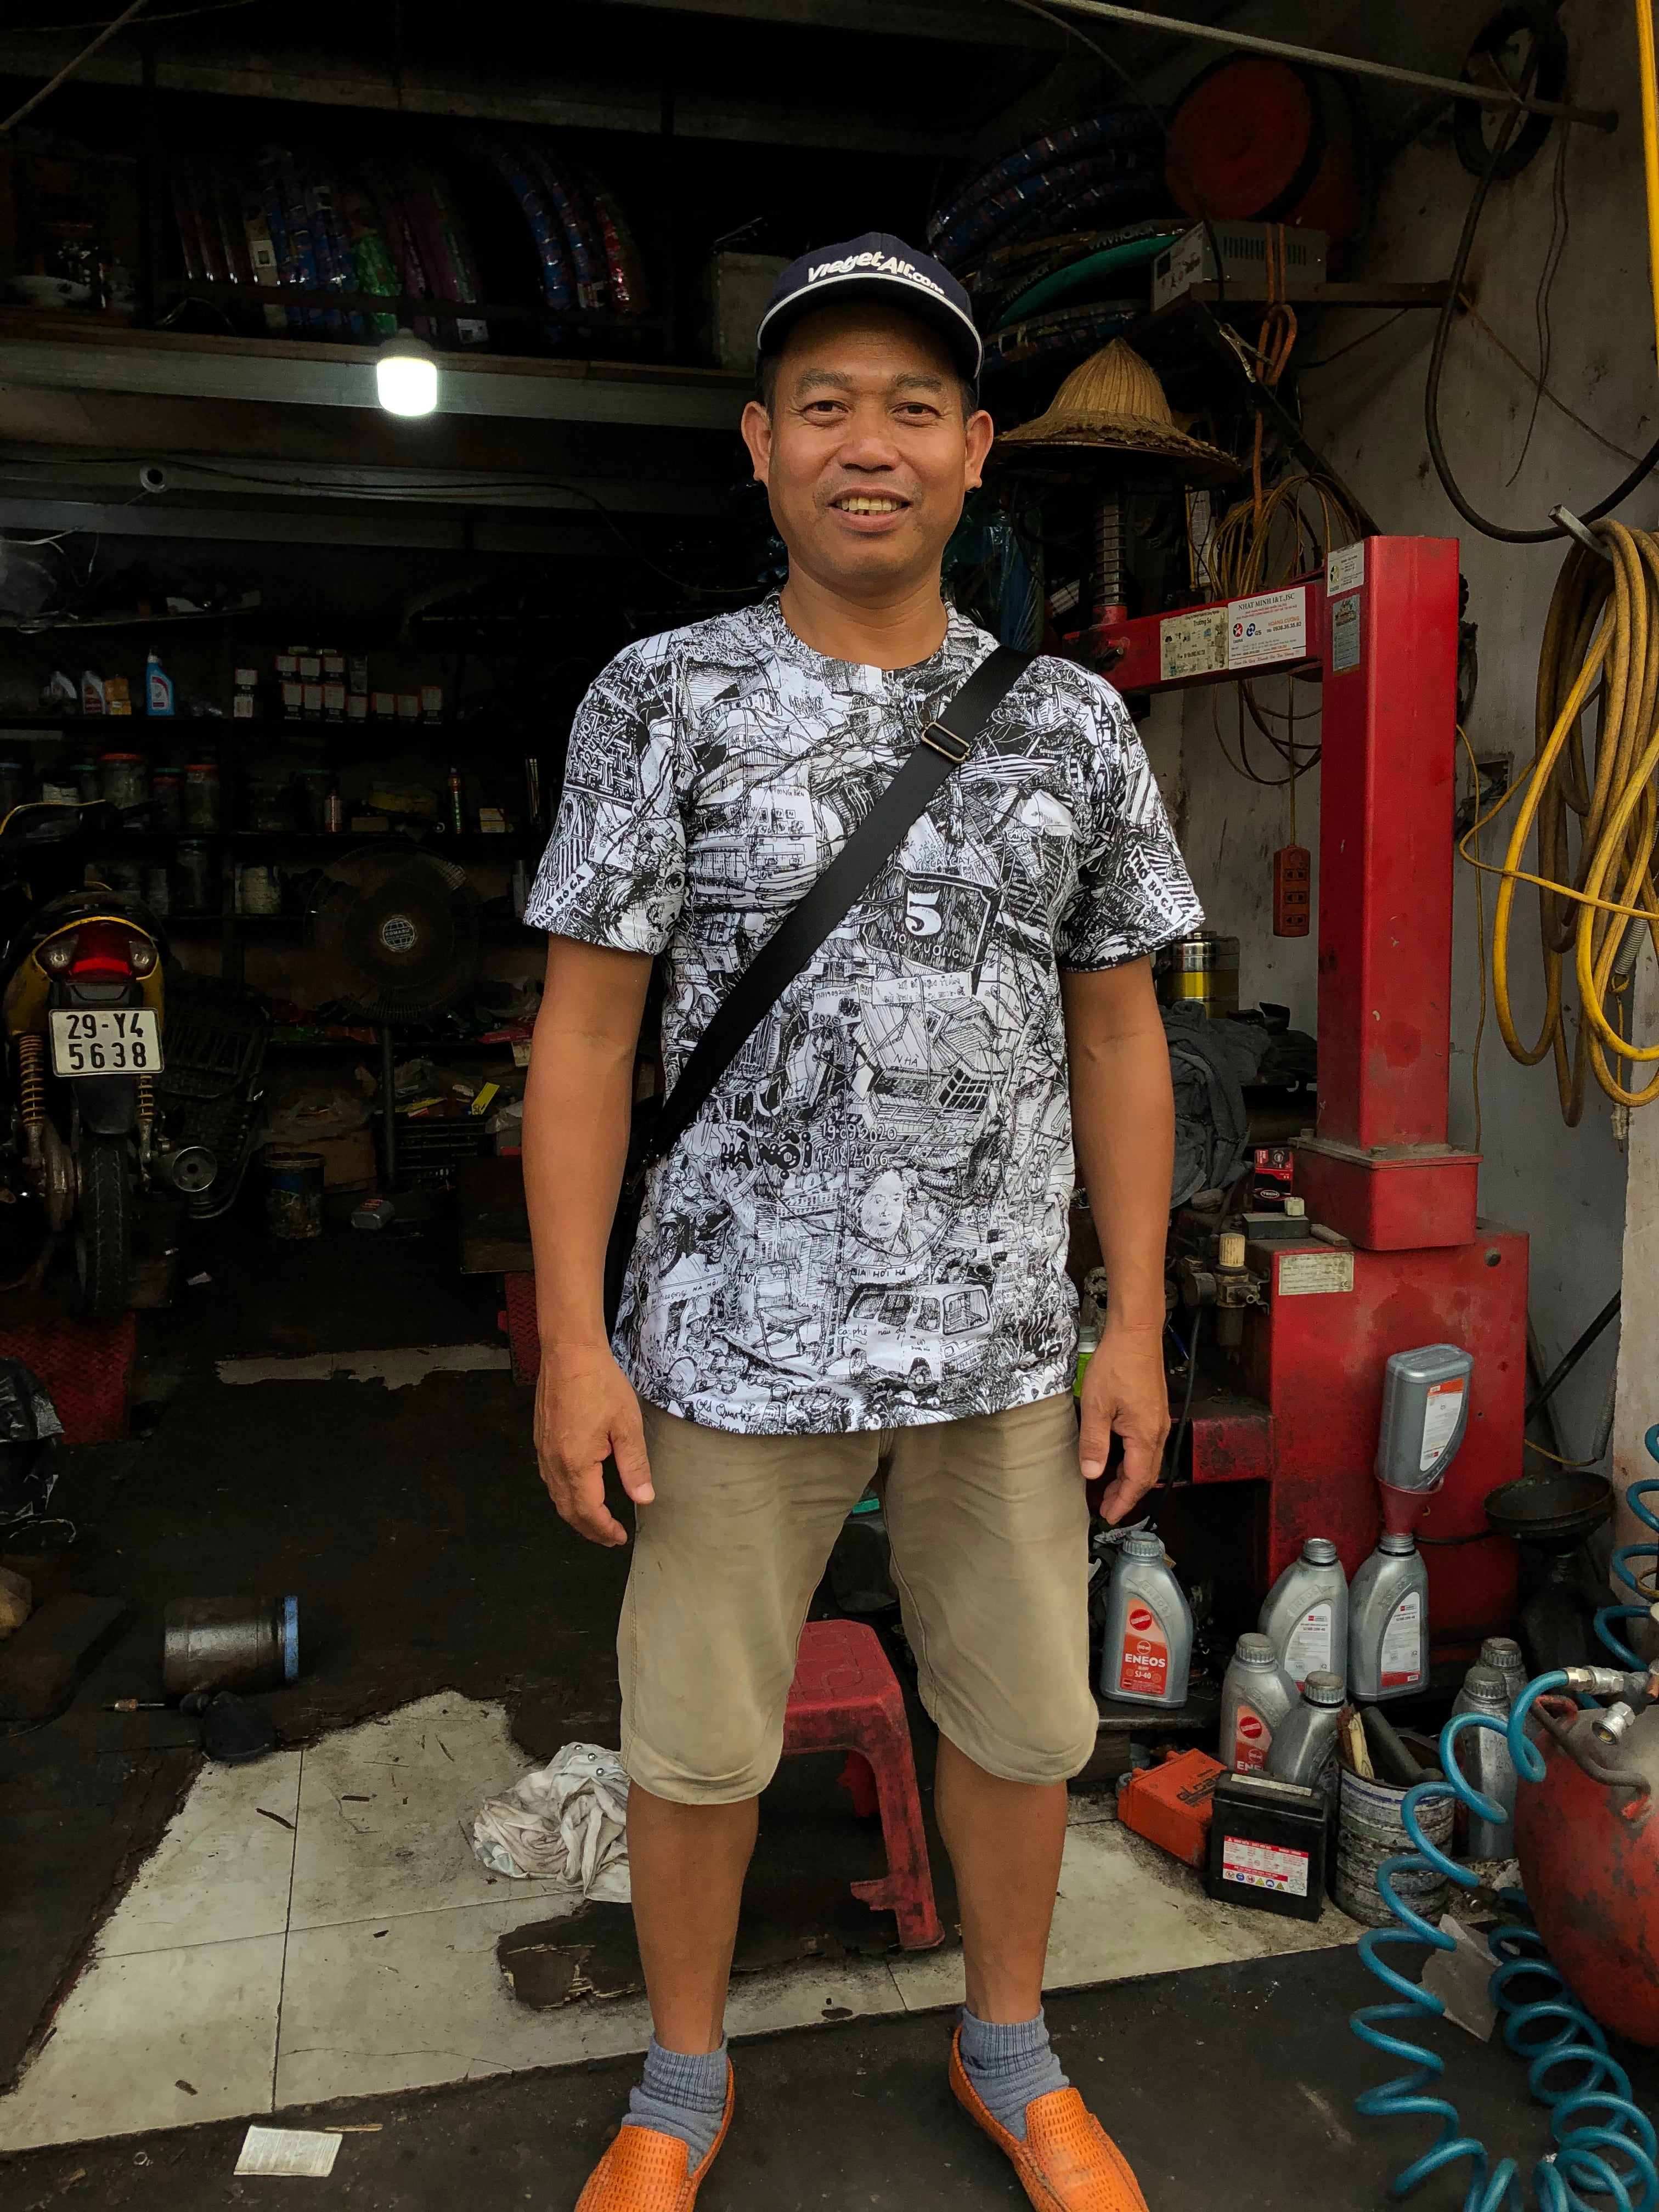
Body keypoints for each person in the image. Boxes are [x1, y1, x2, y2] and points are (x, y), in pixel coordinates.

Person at [522, 232, 1201, 2212]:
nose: (869, 445)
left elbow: (1125, 1042)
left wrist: (1135, 1322)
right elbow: (581, 1040)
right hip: (731, 1342)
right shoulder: (665, 702)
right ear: (761, 447)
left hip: (1002, 1343)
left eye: (915, 406)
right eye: (825, 406)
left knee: (1022, 1720)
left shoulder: (1069, 726)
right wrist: (578, 1340)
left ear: (981, 450)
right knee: (699, 1738)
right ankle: (676, 2085)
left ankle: (1012, 2053)